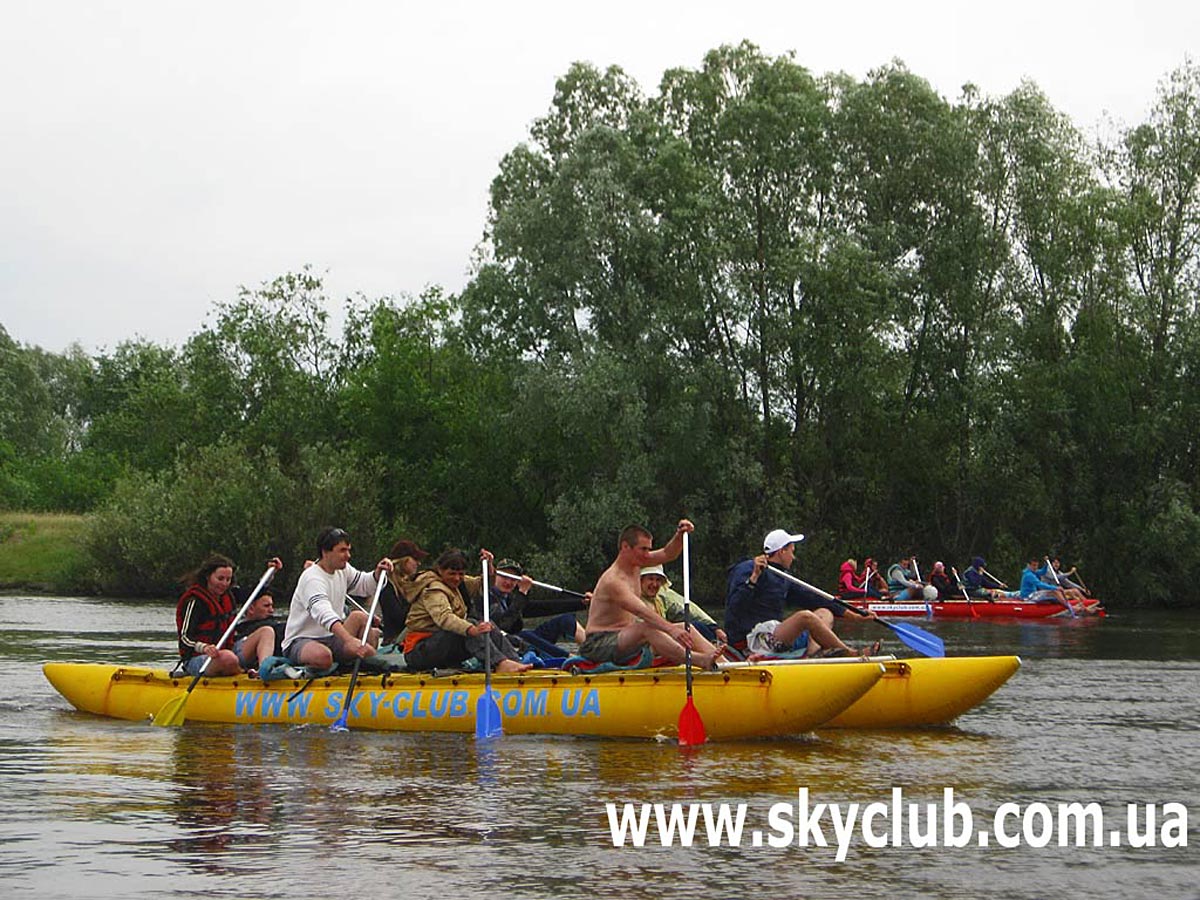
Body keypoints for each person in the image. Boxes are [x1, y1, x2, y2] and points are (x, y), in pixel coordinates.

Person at [581, 521, 724, 668]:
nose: (647, 554)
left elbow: (668, 553)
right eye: (643, 549)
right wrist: (671, 629)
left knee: (685, 627)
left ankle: (727, 665)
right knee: (647, 628)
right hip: (597, 644)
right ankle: (699, 660)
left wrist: (679, 535)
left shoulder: (637, 563)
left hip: (624, 637)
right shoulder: (613, 580)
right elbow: (641, 611)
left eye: (649, 549)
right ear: (625, 547)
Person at [725, 529, 877, 658]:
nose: (793, 557)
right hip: (751, 640)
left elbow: (816, 599)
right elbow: (735, 606)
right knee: (805, 617)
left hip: (774, 634)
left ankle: (813, 655)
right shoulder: (747, 569)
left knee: (825, 612)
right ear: (781, 551)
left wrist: (855, 615)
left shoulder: (782, 577)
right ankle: (851, 654)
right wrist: (754, 578)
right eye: (792, 552)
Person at [402, 548, 533, 673]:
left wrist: (488, 566)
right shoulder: (433, 590)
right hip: (420, 650)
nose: (457, 578)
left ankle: (513, 660)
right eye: (452, 574)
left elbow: (482, 584)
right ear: (440, 571)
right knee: (472, 624)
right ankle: (499, 663)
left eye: (461, 574)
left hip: (440, 645)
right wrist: (471, 629)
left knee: (488, 625)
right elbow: (445, 618)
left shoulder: (458, 583)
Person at [282, 527, 393, 670]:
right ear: (325, 552)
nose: (348, 556)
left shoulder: (343, 570)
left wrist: (377, 574)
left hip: (331, 638)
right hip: (301, 640)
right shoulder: (311, 578)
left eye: (348, 550)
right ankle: (307, 674)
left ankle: (363, 670)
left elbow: (364, 585)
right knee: (324, 657)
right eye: (342, 550)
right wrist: (349, 640)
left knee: (367, 644)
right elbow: (324, 614)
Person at [176, 554, 283, 677]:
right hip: (198, 658)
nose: (224, 584)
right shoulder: (194, 601)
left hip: (229, 650)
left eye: (228, 579)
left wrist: (270, 573)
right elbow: (184, 638)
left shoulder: (229, 595)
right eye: (220, 579)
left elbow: (254, 592)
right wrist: (204, 648)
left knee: (266, 631)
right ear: (208, 577)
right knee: (228, 658)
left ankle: (263, 671)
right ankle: (242, 672)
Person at [476, 558, 588, 657]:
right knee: (525, 635)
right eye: (504, 577)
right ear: (495, 576)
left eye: (513, 579)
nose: (508, 582)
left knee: (566, 620)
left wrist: (581, 603)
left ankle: (593, 652)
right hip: (504, 645)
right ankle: (570, 658)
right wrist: (522, 593)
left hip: (521, 642)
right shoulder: (487, 597)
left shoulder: (511, 599)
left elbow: (545, 607)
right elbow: (504, 624)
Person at [639, 564, 726, 645]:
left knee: (698, 627)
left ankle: (717, 655)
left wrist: (714, 627)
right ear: (640, 580)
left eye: (658, 580)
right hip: (644, 643)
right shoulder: (632, 598)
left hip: (662, 638)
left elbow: (687, 610)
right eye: (650, 579)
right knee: (686, 629)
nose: (654, 584)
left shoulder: (661, 597)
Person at [379, 538, 430, 644]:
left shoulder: (411, 584)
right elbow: (399, 619)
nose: (419, 563)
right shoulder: (387, 586)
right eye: (415, 559)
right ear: (403, 560)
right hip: (395, 641)